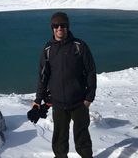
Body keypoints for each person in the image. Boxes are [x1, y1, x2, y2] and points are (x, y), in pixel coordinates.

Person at [32, 11, 97, 158]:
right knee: (59, 140)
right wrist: (38, 100)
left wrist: (89, 98)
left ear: (67, 26)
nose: (59, 28)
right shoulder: (48, 50)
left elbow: (91, 71)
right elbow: (43, 76)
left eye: (63, 25)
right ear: (52, 28)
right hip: (58, 103)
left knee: (82, 138)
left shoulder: (79, 46)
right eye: (56, 25)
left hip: (79, 102)